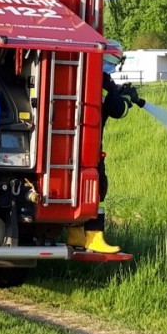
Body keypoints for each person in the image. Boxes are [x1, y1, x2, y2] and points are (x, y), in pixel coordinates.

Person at [66, 40, 141, 254]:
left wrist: (118, 93)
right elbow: (116, 110)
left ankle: (75, 234)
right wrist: (125, 96)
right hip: (89, 144)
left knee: (75, 187)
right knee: (97, 188)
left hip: (71, 144)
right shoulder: (102, 79)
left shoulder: (80, 72)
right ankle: (94, 236)